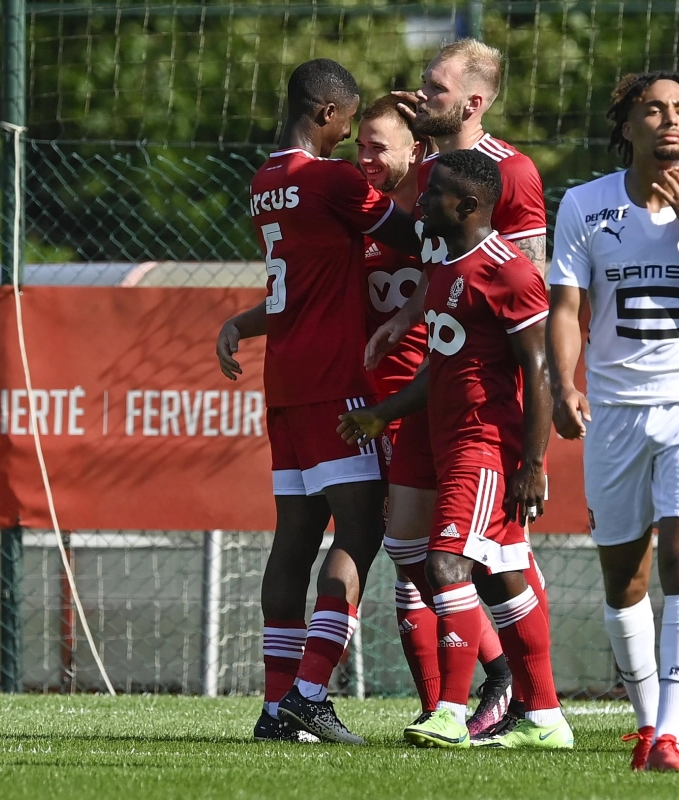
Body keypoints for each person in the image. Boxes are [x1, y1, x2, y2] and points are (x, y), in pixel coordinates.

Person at [547, 71, 679, 773]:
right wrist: (563, 383)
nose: (669, 121)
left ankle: (670, 735)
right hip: (612, 411)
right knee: (625, 582)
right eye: (653, 110)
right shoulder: (584, 205)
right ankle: (646, 728)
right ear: (628, 127)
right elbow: (568, 311)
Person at [338, 149, 573, 750]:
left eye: (433, 193)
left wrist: (532, 465)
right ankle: (544, 717)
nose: (419, 203)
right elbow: (439, 371)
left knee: (448, 566)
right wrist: (381, 416)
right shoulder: (446, 270)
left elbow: (538, 371)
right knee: (502, 578)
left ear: (467, 205)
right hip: (445, 440)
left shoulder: (512, 273)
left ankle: (449, 710)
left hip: (486, 445)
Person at [215, 58, 418, 745]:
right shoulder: (329, 180)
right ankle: (310, 693)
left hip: (286, 383)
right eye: (352, 121)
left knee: (294, 541)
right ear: (329, 113)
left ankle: (275, 710)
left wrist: (243, 322)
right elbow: (413, 233)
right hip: (336, 379)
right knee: (360, 532)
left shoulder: (265, 180)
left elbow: (294, 288)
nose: (354, 138)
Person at [364, 37, 550, 738]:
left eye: (434, 89)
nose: (419, 95)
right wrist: (407, 317)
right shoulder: (436, 168)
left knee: (499, 555)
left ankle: (524, 699)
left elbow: (526, 288)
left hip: (484, 401)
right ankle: (482, 682)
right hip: (430, 383)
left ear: (474, 102)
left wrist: (537, 418)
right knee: (410, 547)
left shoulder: (512, 172)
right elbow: (446, 266)